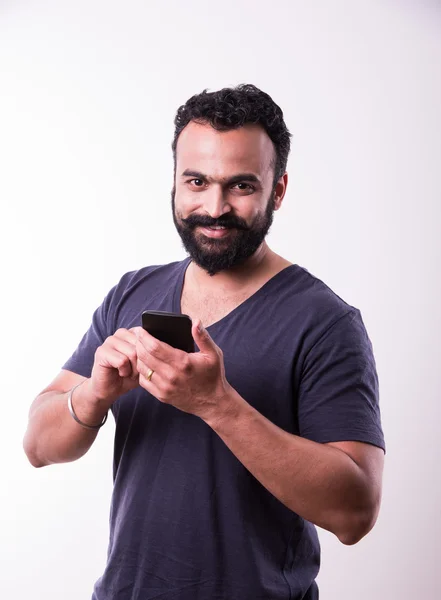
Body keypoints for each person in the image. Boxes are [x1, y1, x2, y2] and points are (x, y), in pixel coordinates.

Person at [23, 84, 385, 600]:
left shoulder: (325, 322)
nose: (214, 208)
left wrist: (218, 405)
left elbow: (356, 512)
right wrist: (93, 395)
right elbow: (37, 446)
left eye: (240, 186)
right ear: (175, 181)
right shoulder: (134, 292)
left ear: (277, 191)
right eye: (197, 181)